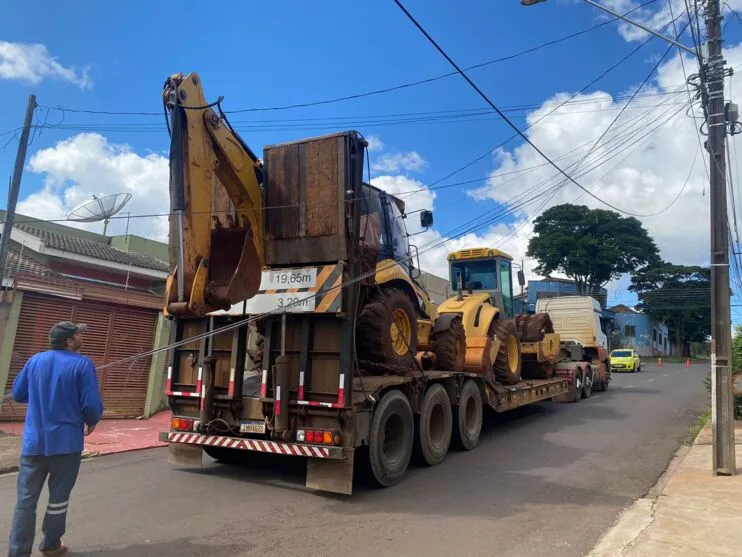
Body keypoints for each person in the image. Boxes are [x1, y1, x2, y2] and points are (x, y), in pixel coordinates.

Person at [7, 321, 104, 557]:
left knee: (25, 502)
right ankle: (51, 544)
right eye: (78, 334)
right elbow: (91, 404)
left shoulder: (34, 361)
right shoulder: (83, 364)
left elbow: (18, 394)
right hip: (66, 444)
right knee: (58, 498)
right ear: (69, 341)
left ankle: (18, 552)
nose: (82, 337)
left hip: (34, 444)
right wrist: (92, 419)